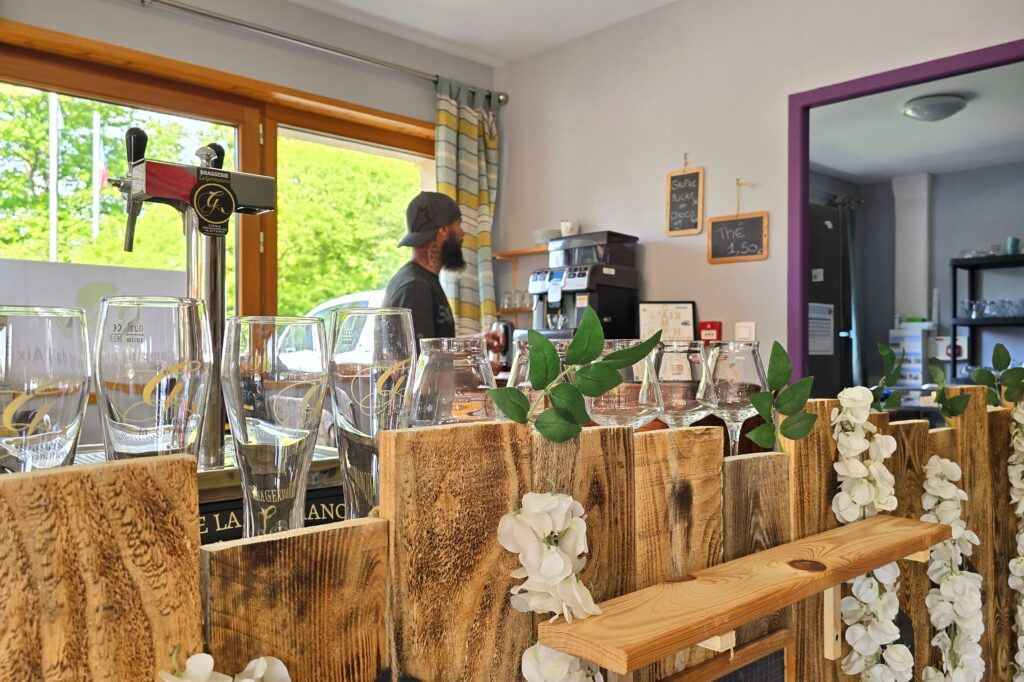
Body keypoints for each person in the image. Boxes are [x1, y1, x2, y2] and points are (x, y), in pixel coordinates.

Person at [384, 191, 501, 353]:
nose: (462, 233)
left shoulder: (422, 280)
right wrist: (477, 364)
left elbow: (433, 346)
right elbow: (425, 363)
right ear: (443, 230)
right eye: (459, 224)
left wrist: (477, 341)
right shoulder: (415, 288)